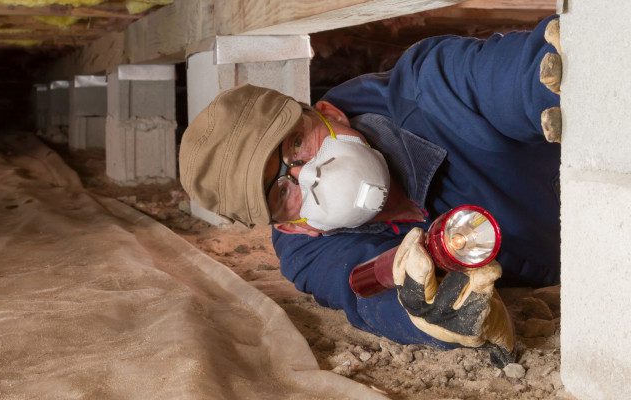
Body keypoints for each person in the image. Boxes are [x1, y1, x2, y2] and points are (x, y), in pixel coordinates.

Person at [179, 16, 562, 366]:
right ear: (292, 227)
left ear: (329, 114)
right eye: (281, 191)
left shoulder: (429, 91)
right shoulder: (309, 255)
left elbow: (509, 74)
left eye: (296, 145)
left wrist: (560, 73)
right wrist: (424, 313)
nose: (308, 174)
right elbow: (364, 293)